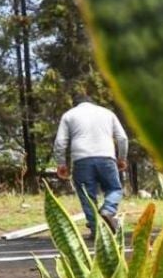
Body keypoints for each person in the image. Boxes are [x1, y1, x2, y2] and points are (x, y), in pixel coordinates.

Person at [54, 95, 129, 237]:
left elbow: (60, 142)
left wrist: (61, 163)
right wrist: (122, 158)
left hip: (81, 160)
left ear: (76, 104)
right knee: (114, 188)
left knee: (87, 196)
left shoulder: (69, 115)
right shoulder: (107, 113)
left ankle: (97, 232)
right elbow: (122, 138)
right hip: (106, 157)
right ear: (92, 102)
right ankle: (108, 209)